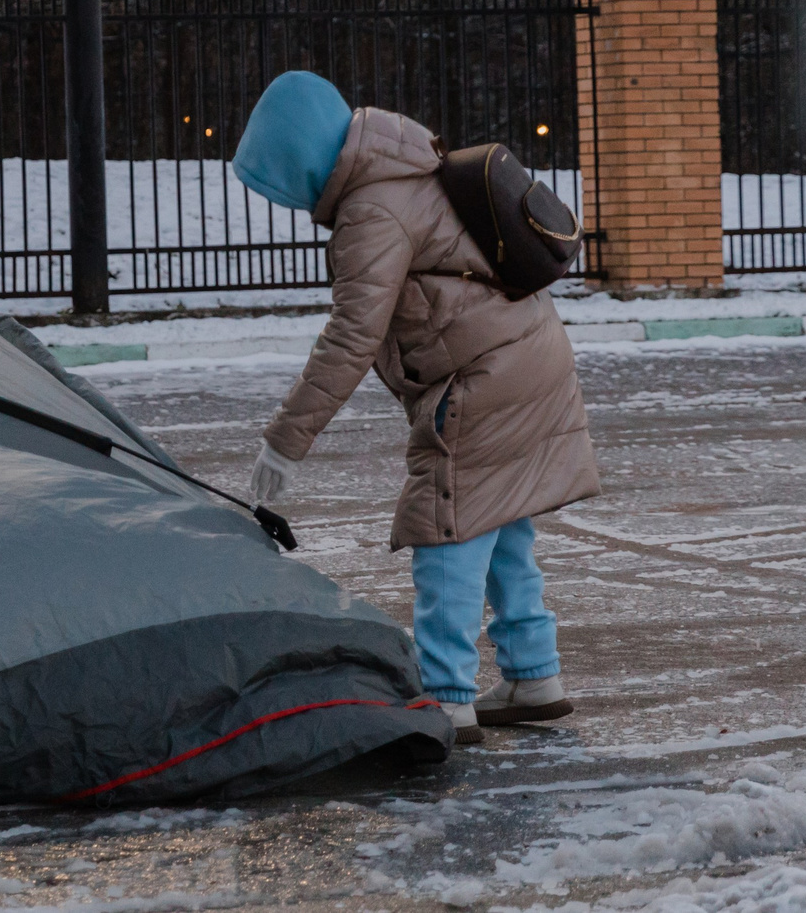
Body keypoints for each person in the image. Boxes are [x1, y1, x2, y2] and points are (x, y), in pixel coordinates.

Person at [231, 72, 598, 746]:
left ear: (300, 160)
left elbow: (352, 337)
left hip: (484, 379)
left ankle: (447, 694)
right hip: (528, 355)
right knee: (500, 520)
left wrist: (285, 441)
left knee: (445, 526)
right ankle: (533, 673)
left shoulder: (371, 210)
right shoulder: (405, 161)